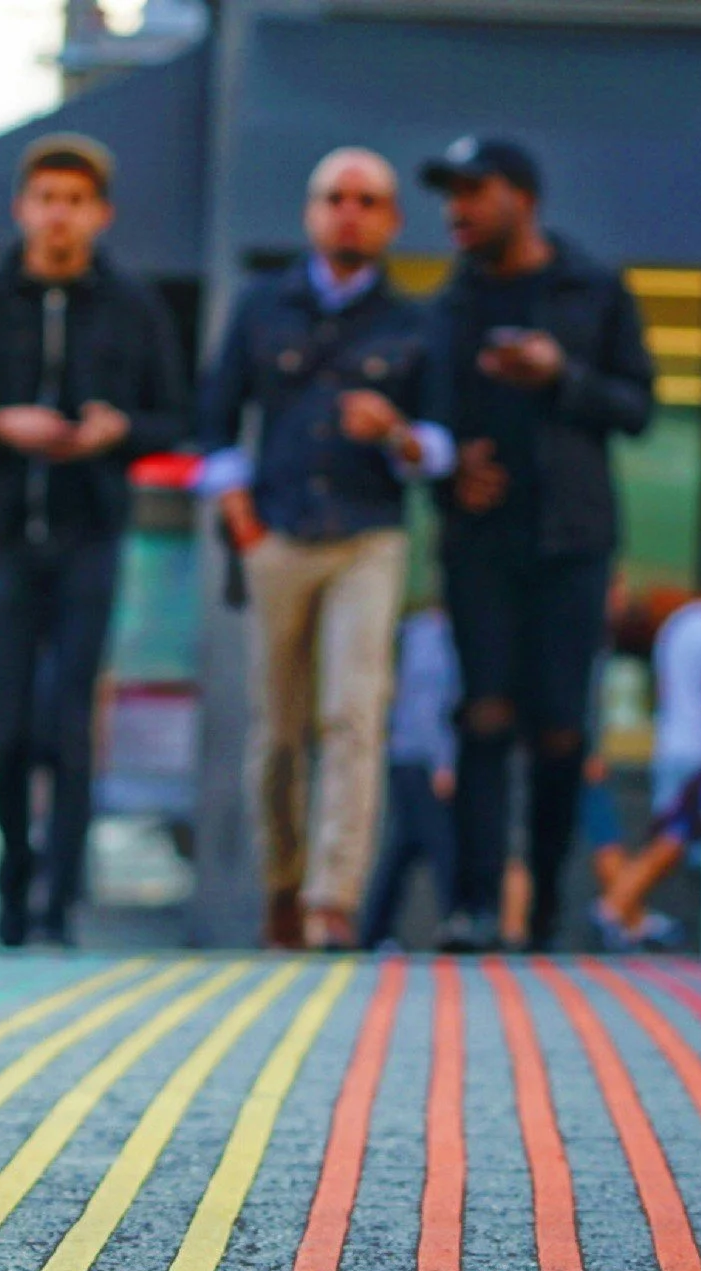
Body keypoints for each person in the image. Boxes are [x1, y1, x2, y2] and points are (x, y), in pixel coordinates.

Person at [0, 135, 187, 948]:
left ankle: (60, 897)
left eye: (75, 202)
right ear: (22, 208)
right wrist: (2, 424)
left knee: (70, 723)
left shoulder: (133, 306)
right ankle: (12, 874)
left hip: (89, 532)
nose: (59, 216)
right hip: (4, 533)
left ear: (99, 214)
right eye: (46, 199)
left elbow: (176, 416)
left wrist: (118, 432)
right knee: (5, 726)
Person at [196, 148, 453, 952]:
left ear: (391, 221)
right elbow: (213, 422)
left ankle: (332, 897)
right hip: (277, 536)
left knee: (353, 715)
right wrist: (241, 516)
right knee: (279, 727)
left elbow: (441, 447)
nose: (350, 211)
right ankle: (283, 881)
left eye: (367, 200)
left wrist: (399, 434)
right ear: (311, 212)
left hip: (368, 539)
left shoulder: (416, 322)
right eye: (335, 197)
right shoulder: (261, 304)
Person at [419, 137, 655, 952]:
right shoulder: (448, 305)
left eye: (472, 191)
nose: (455, 209)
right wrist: (447, 476)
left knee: (559, 728)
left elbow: (638, 406)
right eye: (449, 194)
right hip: (480, 540)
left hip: (573, 539)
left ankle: (547, 904)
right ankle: (475, 905)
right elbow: (427, 428)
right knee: (482, 717)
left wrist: (560, 374)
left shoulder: (594, 288)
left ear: (522, 196)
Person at [593, 544, 701, 949]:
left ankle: (627, 910)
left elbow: (662, 688)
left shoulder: (677, 624)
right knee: (675, 837)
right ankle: (615, 906)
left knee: (672, 833)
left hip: (670, 743)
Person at [360, 601, 460, 950]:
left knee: (405, 846)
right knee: (440, 844)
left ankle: (373, 931)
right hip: (419, 758)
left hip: (405, 754)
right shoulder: (431, 635)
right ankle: (455, 920)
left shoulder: (415, 631)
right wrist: (442, 762)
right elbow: (427, 703)